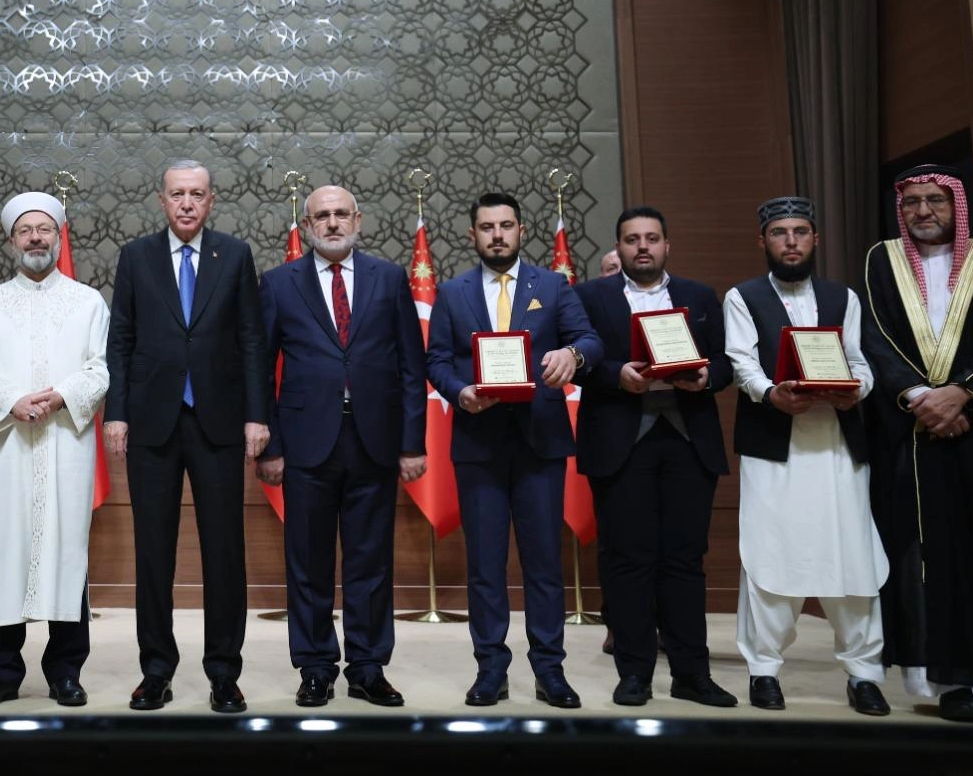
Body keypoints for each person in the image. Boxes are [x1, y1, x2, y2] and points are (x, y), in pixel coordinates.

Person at [105, 160, 270, 713]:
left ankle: (224, 671)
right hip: (152, 423)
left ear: (211, 200)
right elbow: (121, 339)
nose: (186, 204)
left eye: (196, 195)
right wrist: (117, 413)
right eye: (177, 194)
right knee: (154, 553)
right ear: (162, 199)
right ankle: (156, 670)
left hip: (220, 422)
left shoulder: (236, 254)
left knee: (224, 553)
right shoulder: (136, 257)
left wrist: (256, 415)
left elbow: (252, 340)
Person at [426, 191, 602, 709]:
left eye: (506, 226)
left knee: (543, 563)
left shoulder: (553, 285)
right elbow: (437, 359)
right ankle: (490, 670)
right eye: (487, 227)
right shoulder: (452, 292)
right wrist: (460, 391)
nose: (497, 235)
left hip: (540, 442)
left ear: (521, 231)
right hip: (478, 443)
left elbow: (589, 340)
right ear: (472, 235)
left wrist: (571, 355)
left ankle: (550, 670)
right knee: (484, 564)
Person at [257, 185, 426, 708]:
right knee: (307, 562)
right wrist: (271, 447)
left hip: (374, 441)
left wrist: (411, 443)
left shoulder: (391, 278)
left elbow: (411, 368)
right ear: (305, 226)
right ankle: (314, 667)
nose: (332, 224)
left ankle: (368, 666)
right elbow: (260, 372)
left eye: (340, 215)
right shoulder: (279, 283)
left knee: (370, 562)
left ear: (359, 219)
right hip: (307, 444)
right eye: (321, 217)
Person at [723, 196, 889, 715]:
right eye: (779, 233)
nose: (790, 241)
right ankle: (764, 669)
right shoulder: (742, 296)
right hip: (775, 450)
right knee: (771, 556)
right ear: (763, 242)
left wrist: (854, 392)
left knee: (852, 556)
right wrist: (772, 393)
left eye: (799, 232)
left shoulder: (844, 297)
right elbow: (741, 362)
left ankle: (863, 673)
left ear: (815, 239)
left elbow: (862, 363)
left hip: (837, 448)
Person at [575, 206, 736, 708]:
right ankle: (635, 674)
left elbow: (727, 360)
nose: (641, 247)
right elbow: (579, 360)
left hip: (688, 441)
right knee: (628, 562)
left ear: (668, 245)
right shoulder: (589, 296)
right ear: (618, 248)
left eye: (651, 238)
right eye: (631, 239)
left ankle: (692, 674)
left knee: (685, 561)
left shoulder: (697, 296)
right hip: (622, 441)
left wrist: (709, 377)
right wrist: (615, 373)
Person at [0, 192, 109, 709]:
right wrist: (13, 400)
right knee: (7, 553)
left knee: (69, 551)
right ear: (11, 241)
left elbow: (99, 368)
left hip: (67, 441)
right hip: (8, 448)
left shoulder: (89, 300)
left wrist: (62, 396)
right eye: (25, 230)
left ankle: (65, 671)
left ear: (59, 236)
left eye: (45, 229)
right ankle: (1, 671)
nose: (36, 238)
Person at [862, 164, 973, 722]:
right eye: (912, 204)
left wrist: (962, 393)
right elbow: (873, 337)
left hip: (970, 421)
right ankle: (945, 678)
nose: (923, 211)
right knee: (924, 554)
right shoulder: (882, 260)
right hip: (909, 432)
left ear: (957, 204)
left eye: (935, 201)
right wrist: (917, 397)